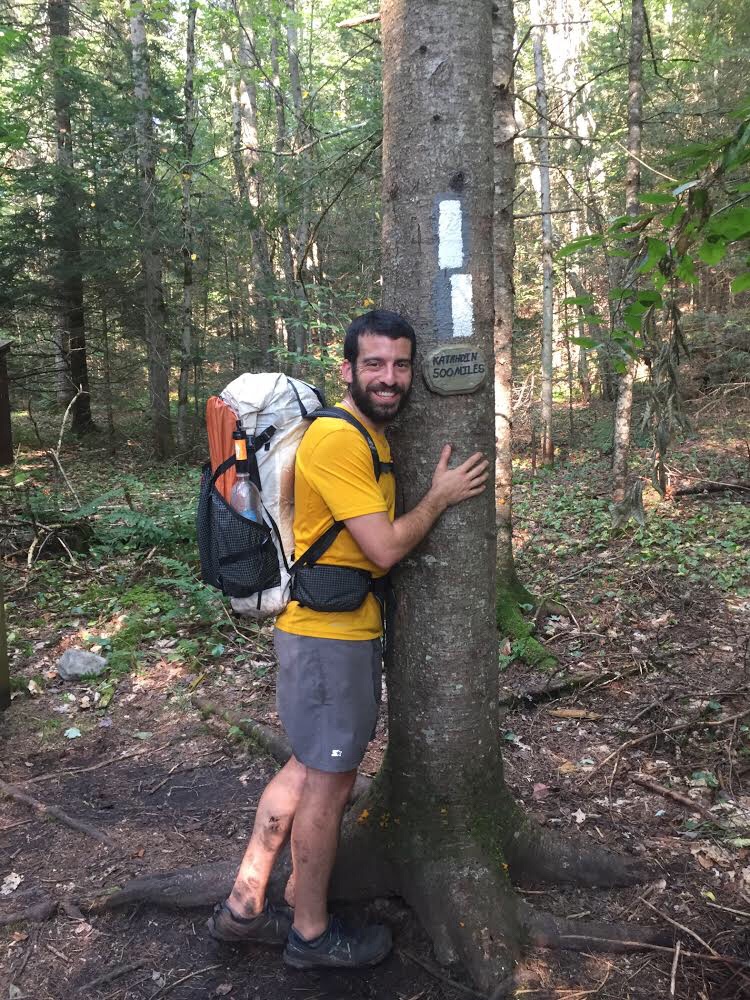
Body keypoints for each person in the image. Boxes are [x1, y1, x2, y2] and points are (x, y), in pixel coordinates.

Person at [207, 309, 488, 969]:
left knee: (307, 769)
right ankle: (310, 935)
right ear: (348, 370)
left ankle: (244, 907)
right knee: (329, 785)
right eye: (375, 364)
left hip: (325, 637)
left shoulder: (368, 436)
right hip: (330, 644)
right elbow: (384, 547)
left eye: (400, 365)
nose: (389, 378)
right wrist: (439, 497)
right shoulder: (337, 439)